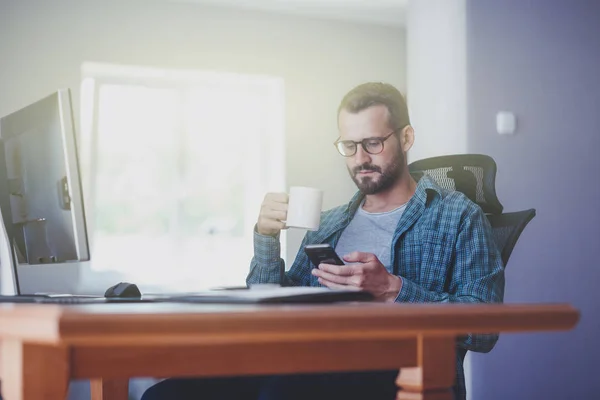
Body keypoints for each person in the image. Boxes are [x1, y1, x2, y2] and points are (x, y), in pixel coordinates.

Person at [142, 82, 505, 400]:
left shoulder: (458, 215)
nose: (360, 158)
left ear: (406, 138)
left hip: (398, 375)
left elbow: (485, 328)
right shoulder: (328, 224)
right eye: (349, 145)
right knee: (166, 393)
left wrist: (394, 290)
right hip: (303, 363)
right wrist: (266, 238)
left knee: (283, 393)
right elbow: (272, 309)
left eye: (373, 143)